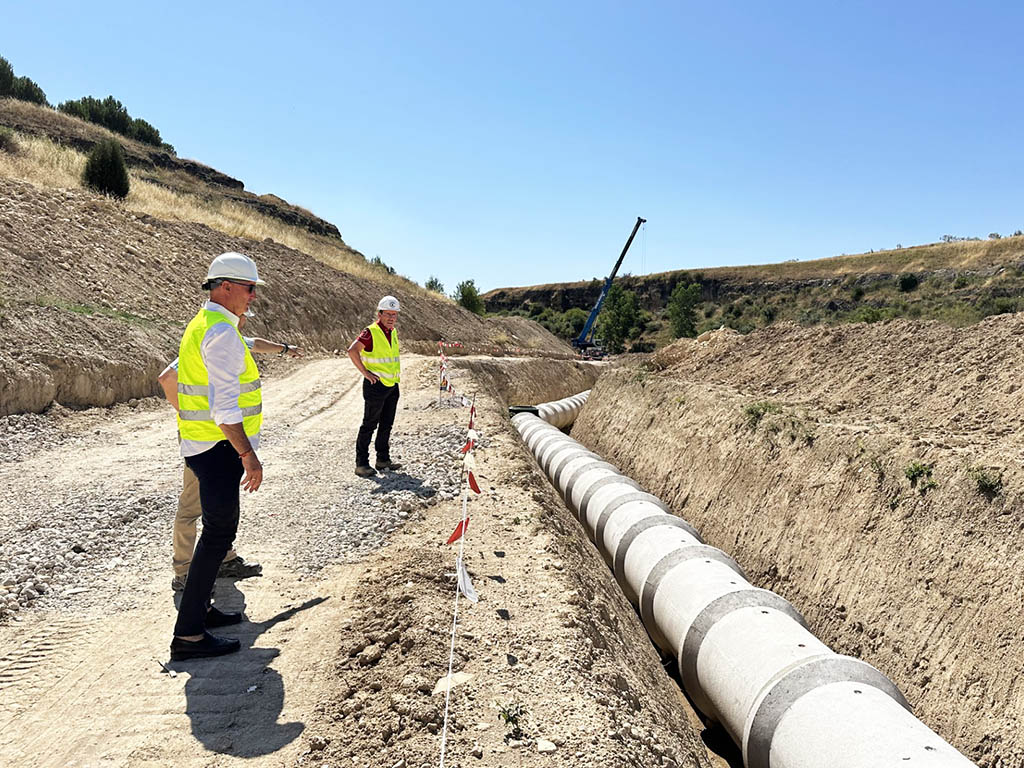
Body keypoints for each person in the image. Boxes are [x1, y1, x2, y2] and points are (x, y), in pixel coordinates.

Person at [158, 312, 302, 593]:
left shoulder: (231, 338)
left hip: (223, 440)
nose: (244, 319)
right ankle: (184, 572)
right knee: (192, 504)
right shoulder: (212, 339)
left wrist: (285, 349)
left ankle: (224, 559)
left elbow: (256, 344)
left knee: (220, 503)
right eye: (242, 314)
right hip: (204, 440)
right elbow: (166, 378)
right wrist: (190, 414)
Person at [169, 251, 268, 661]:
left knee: (215, 534)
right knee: (218, 534)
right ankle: (189, 635)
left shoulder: (204, 323)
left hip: (202, 445)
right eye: (249, 289)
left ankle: (201, 612)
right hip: (219, 448)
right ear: (225, 286)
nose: (253, 297)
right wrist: (249, 455)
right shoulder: (223, 333)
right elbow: (226, 410)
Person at [347, 296, 403, 477]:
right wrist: (365, 373)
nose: (391, 318)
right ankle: (361, 464)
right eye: (388, 314)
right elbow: (352, 350)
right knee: (369, 425)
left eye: (394, 314)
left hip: (392, 385)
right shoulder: (370, 332)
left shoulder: (392, 332)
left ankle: (383, 459)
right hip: (376, 386)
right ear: (379, 314)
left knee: (386, 424)